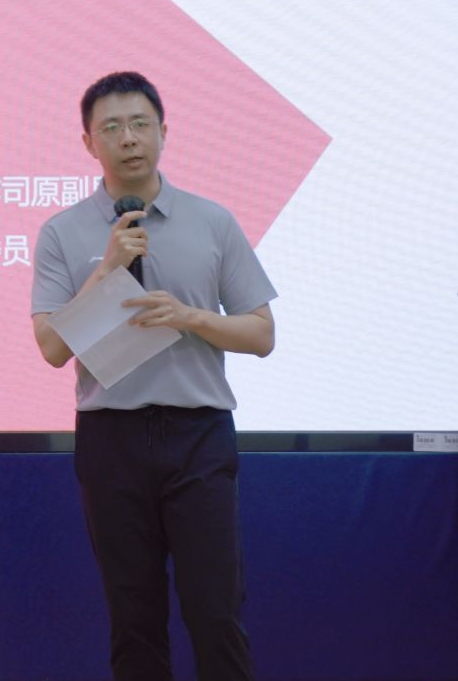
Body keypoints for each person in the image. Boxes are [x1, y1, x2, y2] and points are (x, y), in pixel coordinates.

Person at [30, 71, 277, 681]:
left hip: (198, 435)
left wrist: (191, 317)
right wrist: (107, 269)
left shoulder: (212, 221)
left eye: (140, 124)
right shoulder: (63, 232)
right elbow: (52, 348)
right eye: (111, 127)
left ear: (164, 131)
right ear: (88, 143)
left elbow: (261, 334)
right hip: (111, 440)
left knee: (216, 613)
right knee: (133, 618)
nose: (129, 138)